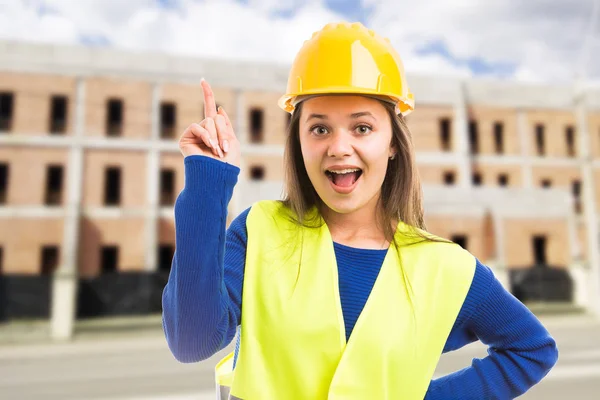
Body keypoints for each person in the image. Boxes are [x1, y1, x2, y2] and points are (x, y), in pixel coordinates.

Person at [162, 21, 558, 399]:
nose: (338, 147)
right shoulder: (259, 231)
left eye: (362, 127)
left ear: (393, 144)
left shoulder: (446, 267)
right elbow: (191, 341)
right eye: (319, 128)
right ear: (299, 142)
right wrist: (207, 182)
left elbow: (530, 349)